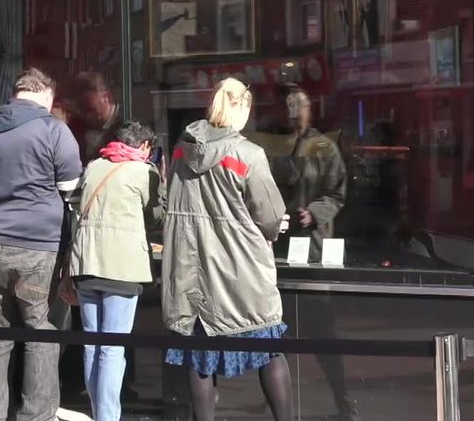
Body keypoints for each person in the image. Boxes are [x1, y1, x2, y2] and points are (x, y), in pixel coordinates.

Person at [162, 78, 292, 421]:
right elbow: (269, 216)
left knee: (200, 359)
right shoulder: (248, 154)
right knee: (270, 350)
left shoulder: (182, 151)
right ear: (243, 110)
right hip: (242, 273)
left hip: (192, 274)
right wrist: (277, 226)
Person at [0, 68, 82, 421]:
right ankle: (35, 416)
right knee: (41, 330)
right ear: (46, 95)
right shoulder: (52, 129)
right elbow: (71, 186)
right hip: (38, 245)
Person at [65, 120, 164, 421]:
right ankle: (107, 417)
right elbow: (157, 218)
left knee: (93, 346)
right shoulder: (144, 172)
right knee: (111, 348)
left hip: (86, 266)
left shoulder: (94, 166)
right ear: (144, 146)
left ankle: (101, 413)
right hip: (122, 269)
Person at [270, 87, 355, 420]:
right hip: (279, 250)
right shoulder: (275, 146)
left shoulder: (324, 148)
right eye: (288, 106)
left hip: (314, 250)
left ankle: (342, 398)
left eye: (299, 106)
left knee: (322, 331)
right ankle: (280, 402)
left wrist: (315, 212)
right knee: (278, 330)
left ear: (309, 110)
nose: (293, 112)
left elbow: (338, 192)